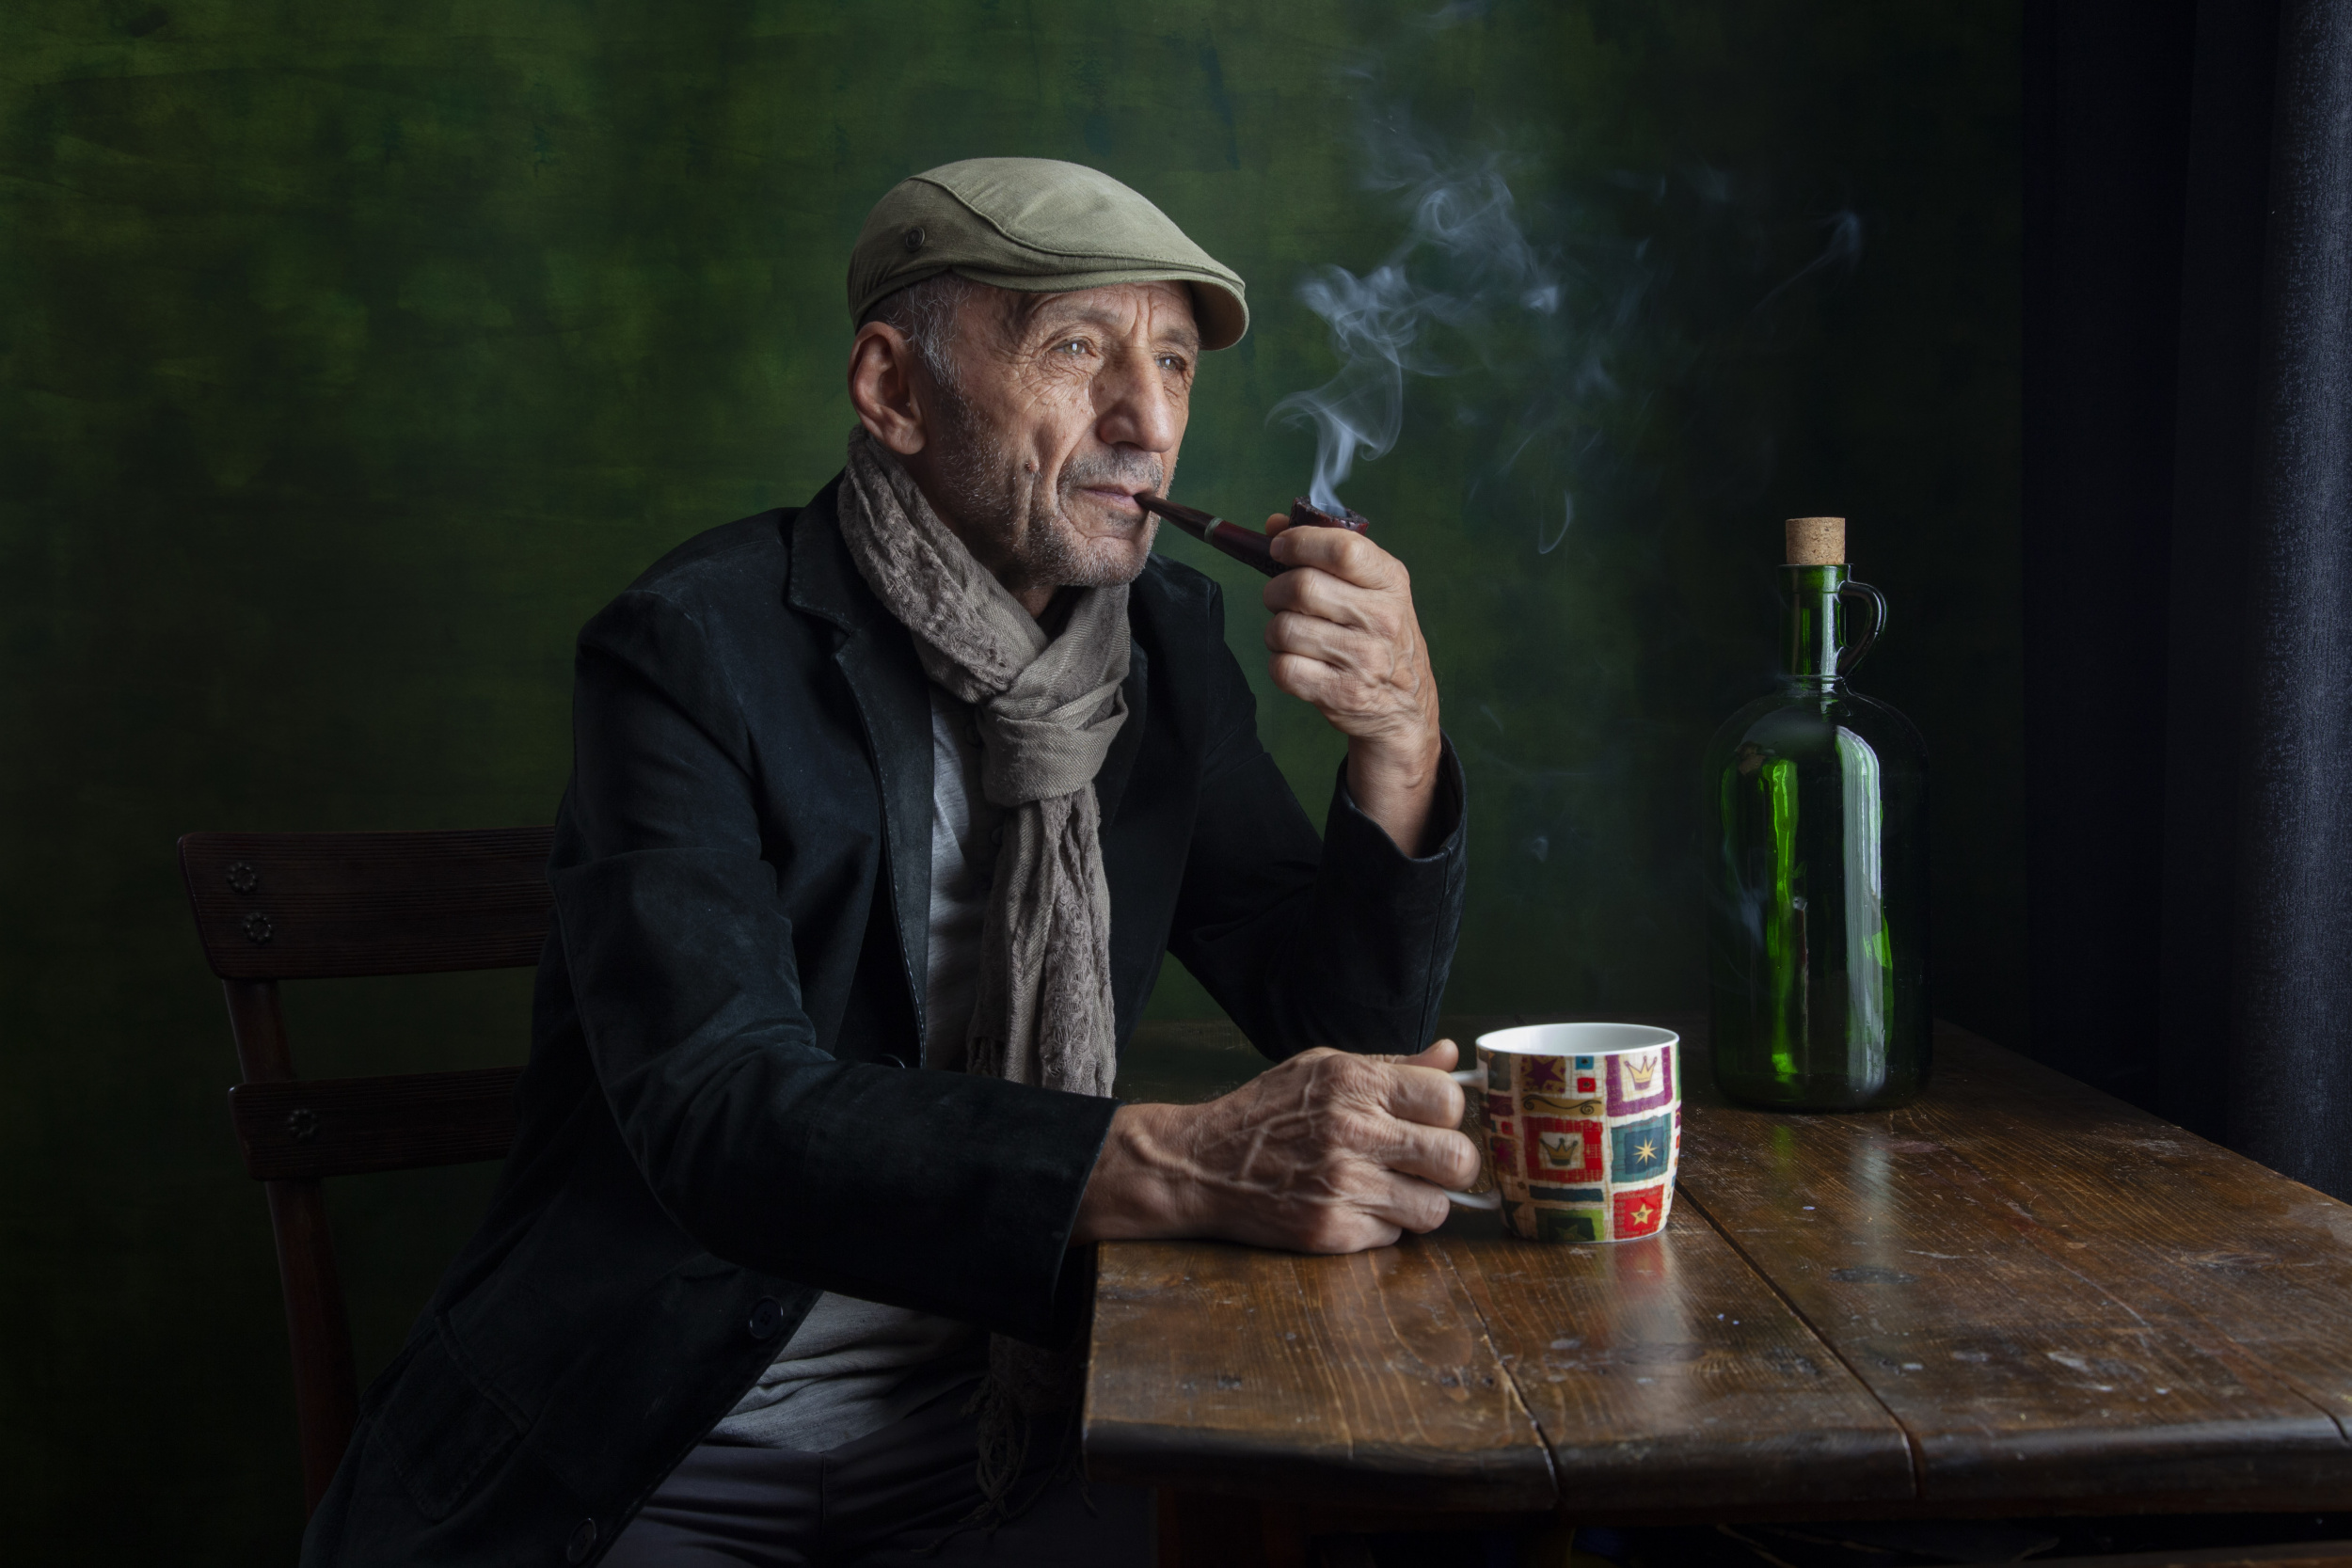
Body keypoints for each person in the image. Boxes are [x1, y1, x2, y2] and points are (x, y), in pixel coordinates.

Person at [300, 157, 1477, 1568]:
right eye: (1077, 349)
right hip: (657, 1439)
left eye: (1172, 361)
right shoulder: (691, 650)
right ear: (893, 390)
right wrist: (1174, 1163)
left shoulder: (1164, 648)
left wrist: (1402, 739)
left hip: (1009, 1434)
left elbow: (1341, 1024)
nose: (1150, 421)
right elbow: (719, 1111)